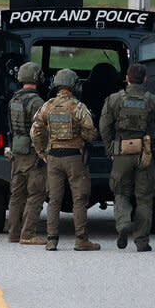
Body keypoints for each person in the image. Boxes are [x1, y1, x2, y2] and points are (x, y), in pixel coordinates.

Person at [100, 63, 155, 252]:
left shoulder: (114, 99)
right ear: (145, 79)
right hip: (145, 154)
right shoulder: (152, 101)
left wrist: (110, 149)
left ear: (127, 78)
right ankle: (142, 241)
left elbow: (104, 126)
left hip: (122, 152)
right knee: (145, 198)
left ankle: (122, 225)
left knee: (121, 193)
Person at [30, 68, 100, 252]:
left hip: (53, 157)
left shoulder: (47, 105)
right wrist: (86, 136)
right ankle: (81, 239)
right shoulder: (78, 107)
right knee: (79, 199)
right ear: (74, 86)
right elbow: (90, 131)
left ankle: (52, 240)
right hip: (74, 158)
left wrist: (42, 153)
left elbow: (35, 131)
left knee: (54, 200)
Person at [6, 62, 48, 245]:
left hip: (17, 151)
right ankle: (28, 234)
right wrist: (43, 152)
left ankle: (14, 233)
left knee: (17, 194)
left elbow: (10, 127)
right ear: (37, 78)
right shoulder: (37, 102)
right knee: (36, 193)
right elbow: (41, 129)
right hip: (32, 152)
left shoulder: (13, 100)